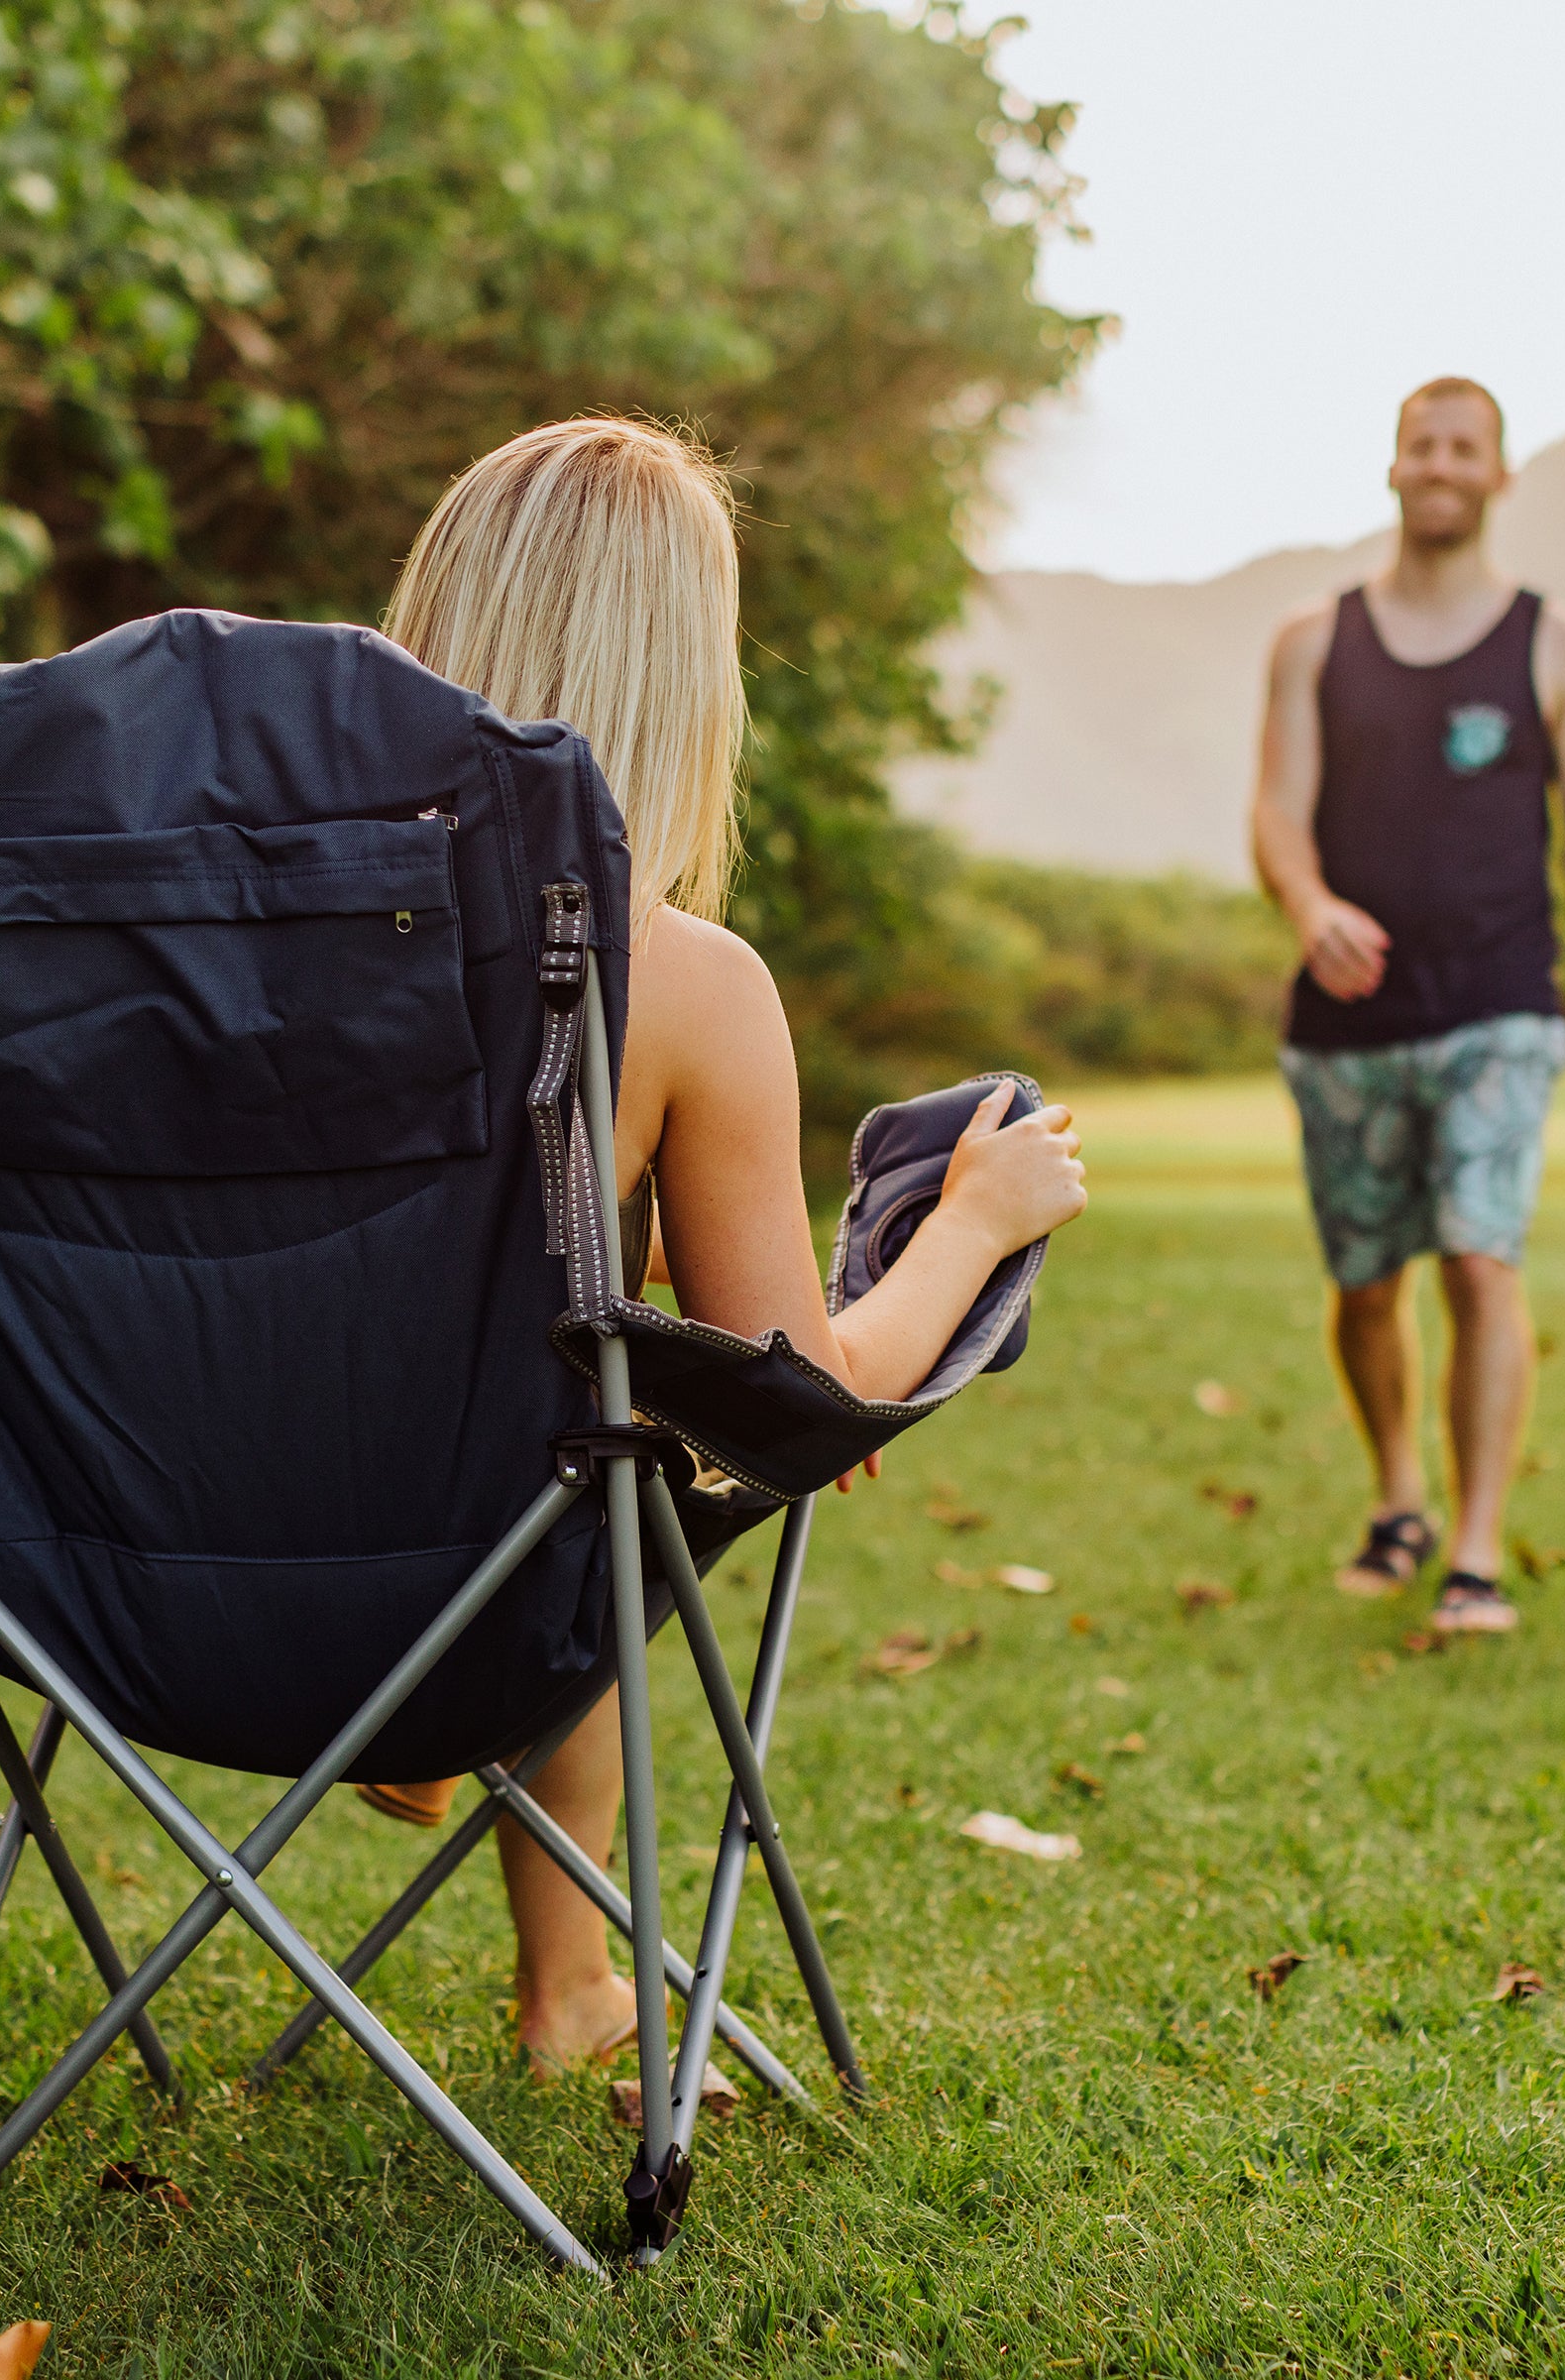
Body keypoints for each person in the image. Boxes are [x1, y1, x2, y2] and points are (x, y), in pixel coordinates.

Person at [362, 416, 1094, 2073]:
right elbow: (793, 1398)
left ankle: (562, 1977)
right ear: (684, 678)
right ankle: (561, 1983)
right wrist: (970, 1225)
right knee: (600, 1480)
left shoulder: (229, 946)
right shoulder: (674, 978)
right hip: (464, 1592)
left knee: (574, 1439)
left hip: (115, 1570)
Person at [1247, 377, 1565, 1637]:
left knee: (1481, 1258)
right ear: (1393, 467)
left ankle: (1475, 1551)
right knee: (1368, 1285)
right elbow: (1274, 811)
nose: (1442, 463)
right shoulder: (1315, 640)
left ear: (1500, 476)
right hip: (1347, 1026)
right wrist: (1309, 906)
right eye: (1423, 443)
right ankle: (1400, 1498)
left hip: (1500, 1009)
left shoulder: (1555, 646)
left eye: (1465, 447)